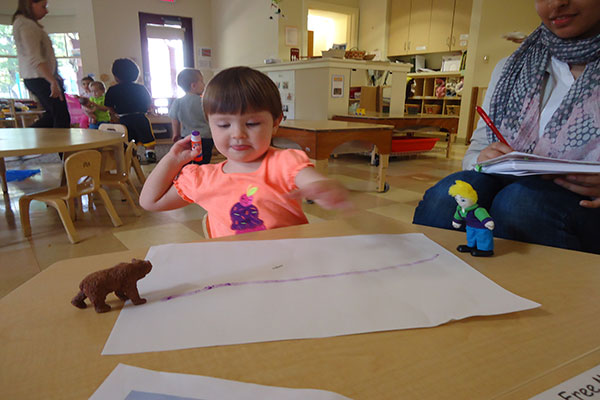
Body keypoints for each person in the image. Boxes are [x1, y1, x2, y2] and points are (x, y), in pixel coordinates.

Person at [413, 0, 600, 254]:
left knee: (521, 205)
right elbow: (476, 151)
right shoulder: (512, 68)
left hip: (583, 208)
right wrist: (482, 158)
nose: (557, 3)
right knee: (446, 198)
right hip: (509, 185)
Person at [139, 66, 352, 238]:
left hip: (288, 266)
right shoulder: (203, 178)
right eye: (223, 125)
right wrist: (172, 160)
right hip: (236, 272)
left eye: (252, 123)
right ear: (210, 125)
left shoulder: (283, 162)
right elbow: (150, 202)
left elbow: (310, 181)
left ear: (276, 122)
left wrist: (323, 187)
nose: (238, 134)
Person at [12, 0, 70, 128]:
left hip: (40, 77)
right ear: (30, 4)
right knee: (61, 117)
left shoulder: (27, 24)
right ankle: (58, 148)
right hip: (39, 77)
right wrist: (52, 81)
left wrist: (54, 76)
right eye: (43, 6)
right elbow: (35, 57)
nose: (46, 11)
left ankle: (34, 143)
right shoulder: (25, 25)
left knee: (53, 116)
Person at [104, 58, 157, 163]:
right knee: (147, 137)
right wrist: (147, 109)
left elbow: (109, 106)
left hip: (124, 118)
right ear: (136, 74)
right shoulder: (141, 88)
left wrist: (114, 114)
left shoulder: (112, 89)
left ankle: (133, 156)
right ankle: (150, 154)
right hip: (140, 117)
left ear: (115, 76)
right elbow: (148, 102)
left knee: (128, 139)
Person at [169, 68, 213, 164]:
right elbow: (212, 119)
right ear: (193, 85)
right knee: (203, 161)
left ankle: (189, 176)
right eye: (202, 81)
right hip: (205, 138)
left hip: (187, 138)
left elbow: (175, 120)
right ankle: (202, 176)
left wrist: (175, 134)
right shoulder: (205, 102)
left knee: (187, 160)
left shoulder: (178, 102)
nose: (204, 85)